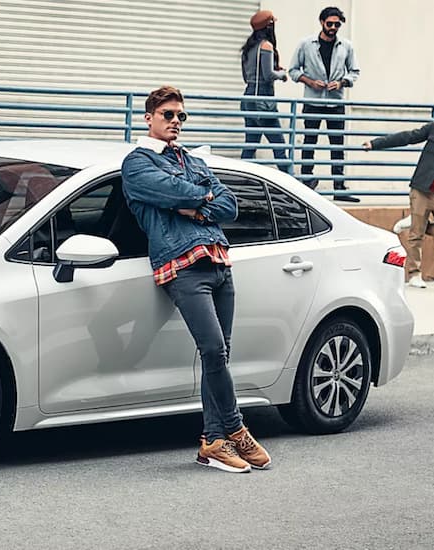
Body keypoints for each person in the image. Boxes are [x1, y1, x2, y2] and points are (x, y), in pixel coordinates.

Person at [121, 85, 271, 473]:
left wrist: (196, 206)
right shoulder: (137, 163)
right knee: (214, 349)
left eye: (181, 116)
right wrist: (198, 199)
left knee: (218, 354)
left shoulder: (194, 161)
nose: (175, 122)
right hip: (182, 266)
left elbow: (230, 205)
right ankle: (235, 430)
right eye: (168, 115)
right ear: (149, 117)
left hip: (219, 262)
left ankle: (212, 441)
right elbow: (166, 191)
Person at [363, 97, 434, 288]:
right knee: (416, 235)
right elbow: (408, 137)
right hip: (422, 190)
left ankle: (415, 221)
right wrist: (375, 143)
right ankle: (414, 274)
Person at [289, 6, 361, 202]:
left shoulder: (346, 46)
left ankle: (339, 187)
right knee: (309, 142)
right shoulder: (306, 44)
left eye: (337, 24)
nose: (333, 27)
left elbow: (354, 71)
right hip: (313, 101)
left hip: (336, 102)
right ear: (322, 22)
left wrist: (342, 82)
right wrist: (311, 82)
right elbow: (293, 71)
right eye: (330, 23)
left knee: (337, 145)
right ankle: (306, 183)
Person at [240, 9, 291, 173]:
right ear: (269, 26)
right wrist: (282, 75)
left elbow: (246, 76)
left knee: (250, 145)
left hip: (248, 99)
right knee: (279, 145)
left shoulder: (248, 48)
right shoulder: (266, 46)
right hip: (263, 101)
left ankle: (241, 181)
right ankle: (290, 182)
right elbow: (268, 76)